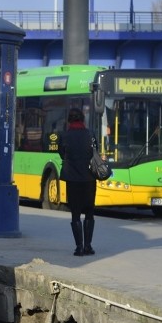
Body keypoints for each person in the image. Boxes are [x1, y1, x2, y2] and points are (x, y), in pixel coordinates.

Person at [58, 108, 97, 256]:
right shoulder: (90, 134)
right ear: (82, 119)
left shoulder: (65, 136)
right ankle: (88, 246)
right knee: (89, 213)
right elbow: (96, 151)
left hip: (72, 179)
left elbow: (62, 154)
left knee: (75, 214)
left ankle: (79, 247)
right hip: (89, 179)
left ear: (69, 120)